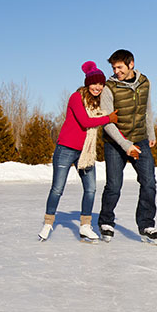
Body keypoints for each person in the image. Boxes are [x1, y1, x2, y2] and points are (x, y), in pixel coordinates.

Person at [38, 61, 118, 242]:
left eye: (100, 84)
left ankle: (85, 226)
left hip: (85, 152)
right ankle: (48, 223)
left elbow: (109, 121)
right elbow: (85, 122)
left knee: (91, 189)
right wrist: (108, 118)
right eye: (94, 83)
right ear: (87, 83)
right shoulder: (76, 97)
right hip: (66, 148)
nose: (97, 87)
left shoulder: (99, 104)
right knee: (58, 188)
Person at [98, 49, 157, 245]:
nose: (116, 71)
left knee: (149, 182)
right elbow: (107, 122)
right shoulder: (109, 88)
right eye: (114, 68)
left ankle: (146, 225)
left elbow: (147, 109)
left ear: (131, 64)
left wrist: (150, 133)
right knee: (114, 186)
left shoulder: (144, 82)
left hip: (140, 139)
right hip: (115, 142)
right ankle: (106, 222)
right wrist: (125, 145)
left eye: (120, 67)